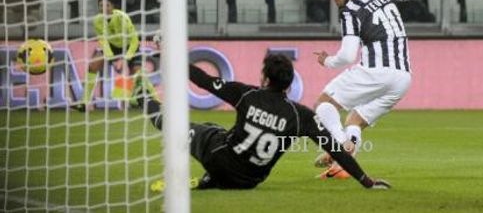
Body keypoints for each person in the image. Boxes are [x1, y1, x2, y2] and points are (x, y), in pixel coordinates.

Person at [138, 54, 391, 190]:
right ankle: (211, 180)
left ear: (264, 77)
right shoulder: (301, 115)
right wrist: (366, 180)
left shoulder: (246, 94)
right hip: (250, 181)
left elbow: (203, 80)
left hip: (219, 159)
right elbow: (335, 149)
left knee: (177, 126)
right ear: (290, 84)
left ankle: (141, 98)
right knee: (215, 129)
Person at [312, 0, 428, 179]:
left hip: (377, 70)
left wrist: (327, 61)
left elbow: (346, 56)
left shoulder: (351, 10)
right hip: (403, 78)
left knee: (324, 104)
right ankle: (344, 166)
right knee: (354, 120)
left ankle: (340, 150)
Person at [75, 0, 157, 112]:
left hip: (129, 46)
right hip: (113, 46)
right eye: (100, 6)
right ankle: (84, 103)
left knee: (139, 72)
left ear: (112, 7)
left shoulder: (122, 18)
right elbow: (103, 40)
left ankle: (155, 99)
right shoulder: (97, 20)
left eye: (107, 5)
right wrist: (111, 57)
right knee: (93, 65)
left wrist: (126, 58)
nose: (104, 8)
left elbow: (134, 40)